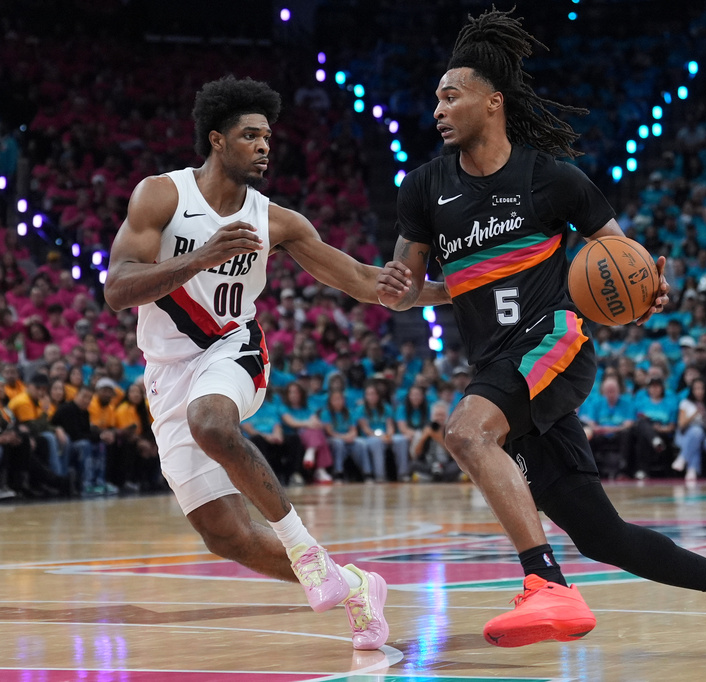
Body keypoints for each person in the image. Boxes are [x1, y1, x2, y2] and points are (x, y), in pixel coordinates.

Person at [375, 8, 706, 659]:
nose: (437, 106)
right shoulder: (424, 188)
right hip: (499, 365)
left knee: (465, 431)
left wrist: (650, 288)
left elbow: (621, 258)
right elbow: (413, 287)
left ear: (492, 103)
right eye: (435, 96)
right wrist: (381, 282)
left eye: (450, 95)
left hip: (553, 342)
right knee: (603, 535)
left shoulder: (552, 179)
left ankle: (546, 582)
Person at [104, 75, 448, 651]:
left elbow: (366, 282)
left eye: (267, 136)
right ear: (216, 140)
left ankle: (305, 547)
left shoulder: (277, 222)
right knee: (226, 536)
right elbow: (117, 288)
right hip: (166, 372)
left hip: (234, 349)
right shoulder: (161, 196)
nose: (264, 146)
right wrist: (202, 258)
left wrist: (462, 288)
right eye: (249, 136)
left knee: (212, 421)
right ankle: (355, 584)